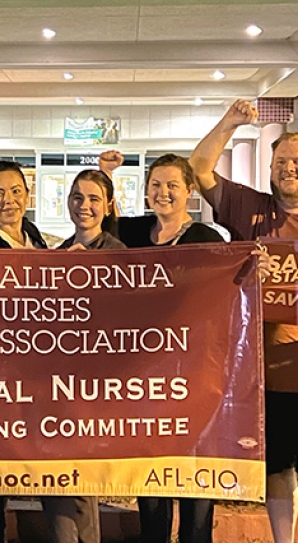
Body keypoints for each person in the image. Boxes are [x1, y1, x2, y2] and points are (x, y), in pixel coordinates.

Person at [189, 99, 298, 543]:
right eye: (281, 161)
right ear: (270, 169)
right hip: (262, 377)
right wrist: (231, 122)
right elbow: (199, 168)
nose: (289, 168)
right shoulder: (249, 208)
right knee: (277, 471)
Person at [0, 161, 98, 543]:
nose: (9, 201)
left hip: (37, 382)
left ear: (28, 195)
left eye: (16, 191)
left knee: (50, 469)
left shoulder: (38, 241)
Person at [114, 153, 222, 543]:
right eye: (156, 185)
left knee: (196, 477)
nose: (163, 193)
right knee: (151, 477)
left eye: (172, 185)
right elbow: (96, 225)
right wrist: (106, 172)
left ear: (189, 190)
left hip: (195, 378)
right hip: (145, 380)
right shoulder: (133, 232)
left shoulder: (207, 240)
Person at [58, 169, 126, 251]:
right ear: (68, 201)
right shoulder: (60, 251)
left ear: (109, 208)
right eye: (78, 198)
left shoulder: (117, 252)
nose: (83, 206)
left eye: (94, 199)